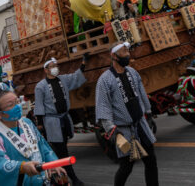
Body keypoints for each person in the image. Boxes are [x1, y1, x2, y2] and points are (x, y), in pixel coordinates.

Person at [95, 42, 158, 186]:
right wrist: (112, 131)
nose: (128, 54)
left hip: (140, 124)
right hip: (123, 130)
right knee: (126, 166)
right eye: (124, 52)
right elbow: (103, 107)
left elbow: (141, 93)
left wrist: (148, 113)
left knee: (151, 160)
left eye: (128, 51)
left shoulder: (132, 72)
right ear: (114, 56)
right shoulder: (105, 80)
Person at [0, 90, 65, 186]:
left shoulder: (27, 123)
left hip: (42, 180)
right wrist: (22, 167)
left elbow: (42, 146)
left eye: (17, 102)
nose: (17, 106)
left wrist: (54, 164)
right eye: (11, 105)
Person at [34, 56, 88, 186]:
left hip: (63, 119)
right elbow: (39, 106)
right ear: (46, 70)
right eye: (52, 66)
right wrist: (40, 125)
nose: (55, 68)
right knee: (62, 152)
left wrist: (84, 63)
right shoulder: (40, 86)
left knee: (61, 151)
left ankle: (58, 177)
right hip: (52, 122)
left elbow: (75, 77)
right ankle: (73, 179)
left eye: (55, 65)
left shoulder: (62, 80)